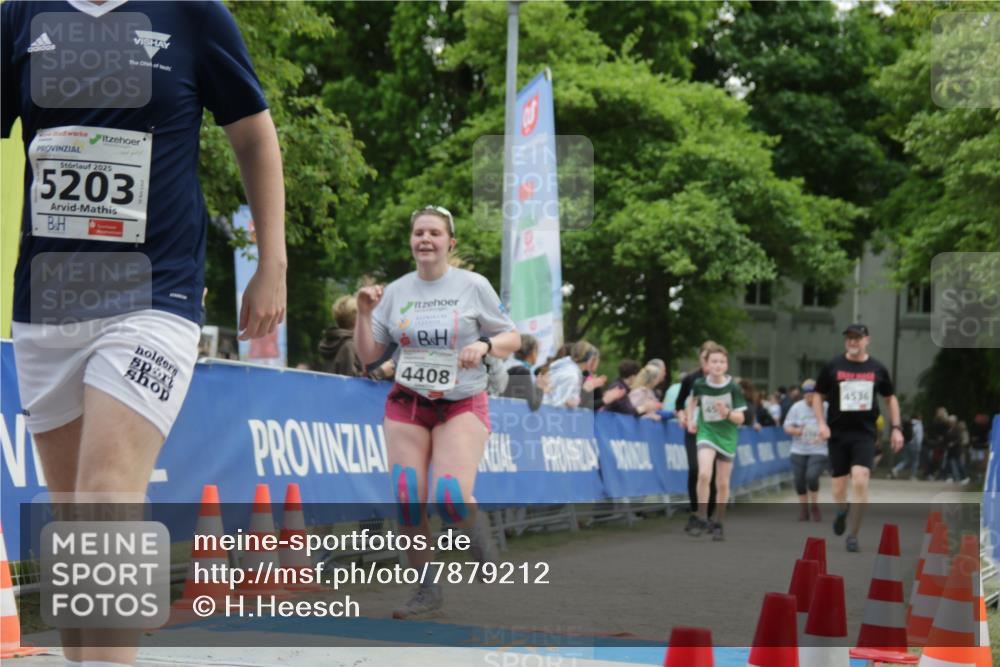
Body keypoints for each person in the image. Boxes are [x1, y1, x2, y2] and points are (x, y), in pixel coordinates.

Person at [3, 3, 285, 665]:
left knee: (107, 494)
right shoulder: (22, 14)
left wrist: (271, 261)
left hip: (154, 293)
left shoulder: (190, 12)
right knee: (75, 522)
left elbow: (253, 134)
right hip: (48, 301)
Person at [354, 205, 519, 619]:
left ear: (450, 242)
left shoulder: (473, 285)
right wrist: (362, 312)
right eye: (419, 233)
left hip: (461, 402)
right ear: (411, 241)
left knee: (449, 497)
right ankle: (427, 590)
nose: (425, 239)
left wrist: (483, 346)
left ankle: (477, 537)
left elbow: (512, 336)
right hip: (407, 403)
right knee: (408, 498)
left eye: (434, 233)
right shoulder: (396, 291)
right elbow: (369, 356)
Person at [813, 324, 903, 553]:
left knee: (861, 479)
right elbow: (817, 395)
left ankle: (853, 535)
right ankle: (842, 511)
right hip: (837, 432)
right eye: (849, 338)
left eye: (857, 338)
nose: (853, 342)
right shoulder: (833, 366)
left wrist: (896, 428)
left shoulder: (877, 369)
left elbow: (890, 398)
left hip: (864, 433)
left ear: (867, 340)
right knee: (838, 486)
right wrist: (821, 424)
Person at [684, 342, 746, 541]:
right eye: (714, 361)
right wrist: (691, 420)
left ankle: (718, 521)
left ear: (726, 365)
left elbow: (741, 418)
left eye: (722, 361)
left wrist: (727, 412)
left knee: (722, 483)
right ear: (707, 364)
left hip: (727, 436)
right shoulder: (700, 384)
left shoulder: (733, 387)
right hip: (707, 433)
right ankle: (702, 516)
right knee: (703, 473)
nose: (718, 365)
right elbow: (692, 402)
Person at [675, 343, 718, 531]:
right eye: (704, 359)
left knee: (710, 473)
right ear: (701, 359)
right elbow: (679, 403)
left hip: (715, 432)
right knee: (694, 469)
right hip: (693, 430)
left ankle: (707, 514)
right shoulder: (691, 379)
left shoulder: (722, 381)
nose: (707, 364)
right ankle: (695, 512)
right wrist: (682, 416)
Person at [784, 380, 828, 522]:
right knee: (799, 481)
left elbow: (833, 427)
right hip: (799, 449)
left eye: (813, 395)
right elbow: (786, 427)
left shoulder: (826, 407)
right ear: (803, 395)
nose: (810, 398)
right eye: (807, 395)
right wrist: (798, 431)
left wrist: (823, 434)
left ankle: (814, 506)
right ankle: (804, 509)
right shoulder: (796, 407)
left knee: (812, 476)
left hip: (818, 449)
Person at [542, 340, 606, 408]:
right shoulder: (571, 375)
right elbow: (559, 406)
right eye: (594, 359)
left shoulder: (568, 369)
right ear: (590, 360)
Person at [500, 334, 550, 411]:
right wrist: (540, 387)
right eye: (537, 351)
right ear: (533, 352)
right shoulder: (522, 371)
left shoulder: (508, 366)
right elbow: (533, 405)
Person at [318, 295, 364, 376]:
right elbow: (352, 383)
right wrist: (381, 372)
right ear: (356, 319)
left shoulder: (331, 341)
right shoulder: (350, 345)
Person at [890, 414, 922, 479]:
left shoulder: (907, 423)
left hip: (906, 443)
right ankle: (913, 475)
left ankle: (896, 469)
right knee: (915, 461)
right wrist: (919, 446)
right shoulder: (919, 424)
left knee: (905, 460)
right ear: (919, 417)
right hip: (914, 444)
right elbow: (919, 437)